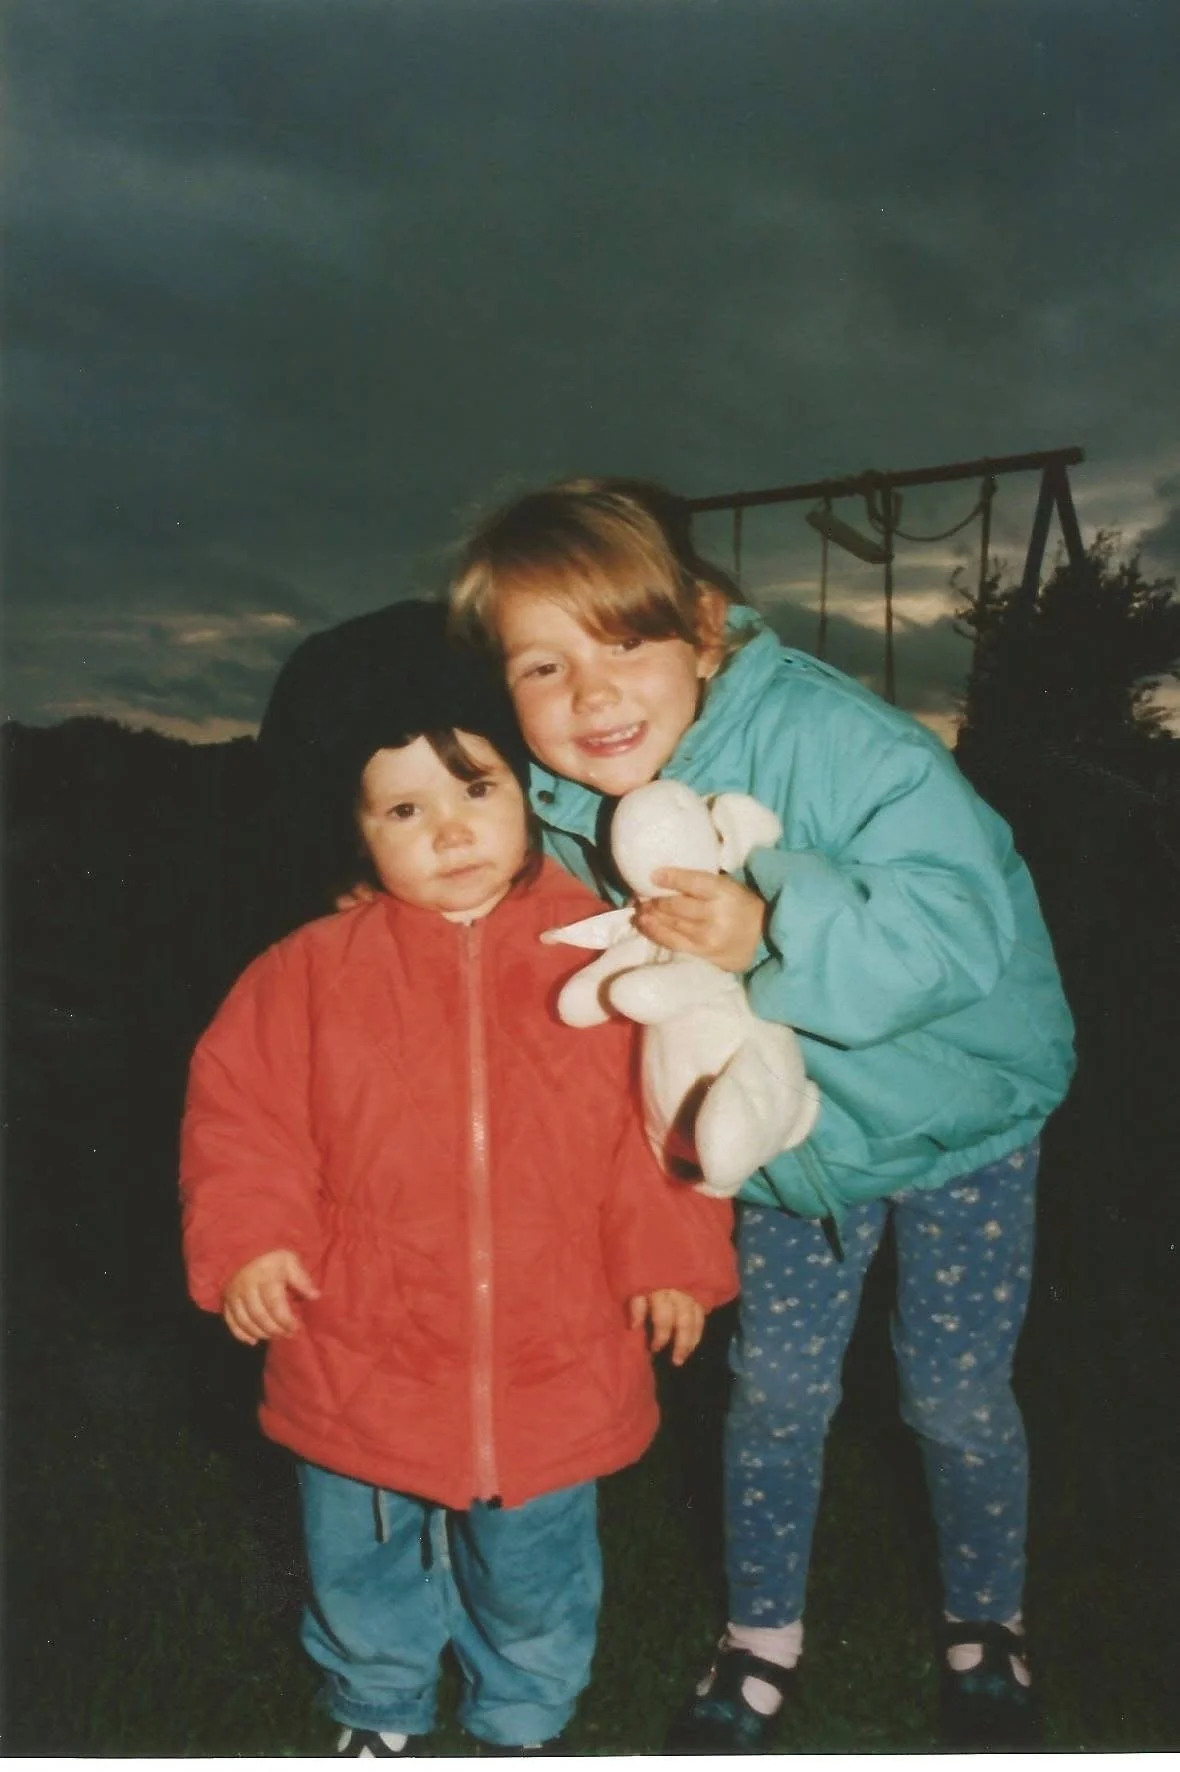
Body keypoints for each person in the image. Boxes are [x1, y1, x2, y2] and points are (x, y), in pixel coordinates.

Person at [448, 477, 1076, 1753]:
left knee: (952, 1393)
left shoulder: (844, 744)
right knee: (774, 1390)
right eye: (542, 665)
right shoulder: (561, 796)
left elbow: (957, 930)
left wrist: (775, 925)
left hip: (959, 1119)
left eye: (624, 644)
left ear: (706, 627)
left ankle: (987, 1620)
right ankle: (759, 1636)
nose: (590, 696)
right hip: (785, 1155)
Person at [179, 600, 738, 1758]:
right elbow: (243, 1119)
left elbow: (663, 1125)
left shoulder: (604, 949)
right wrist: (249, 1240)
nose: (448, 829)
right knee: (360, 1551)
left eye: (474, 787)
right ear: (353, 830)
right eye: (403, 807)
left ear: (523, 790)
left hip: (555, 1347)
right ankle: (378, 1699)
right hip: (362, 1343)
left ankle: (521, 1712)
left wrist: (673, 1259)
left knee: (535, 1563)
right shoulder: (304, 975)